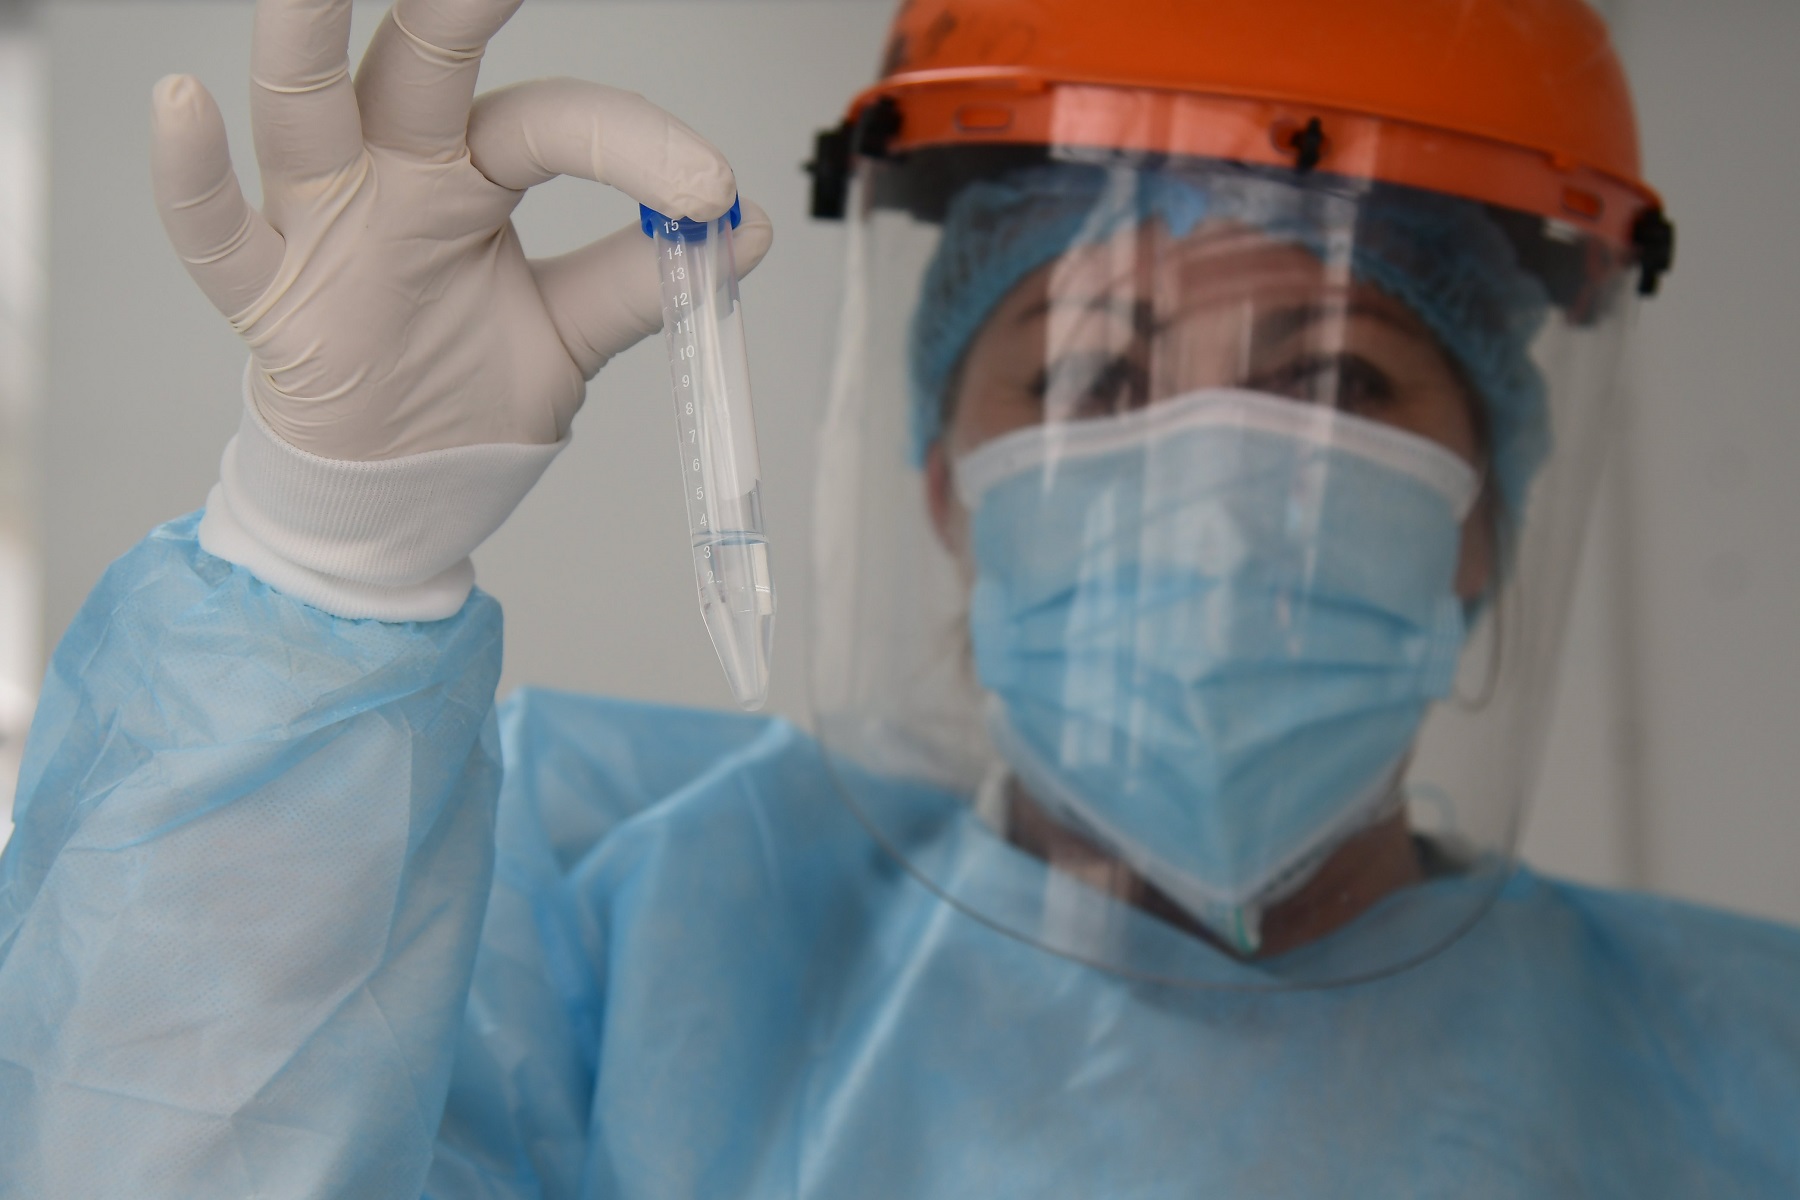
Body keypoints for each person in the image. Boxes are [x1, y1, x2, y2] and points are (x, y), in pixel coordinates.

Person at [1, 0, 1796, 1195]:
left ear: (1489, 510)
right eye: (1097, 380)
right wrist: (330, 547)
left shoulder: (1747, 1076)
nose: (1215, 497)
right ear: (950, 486)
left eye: (1334, 388)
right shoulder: (626, 940)